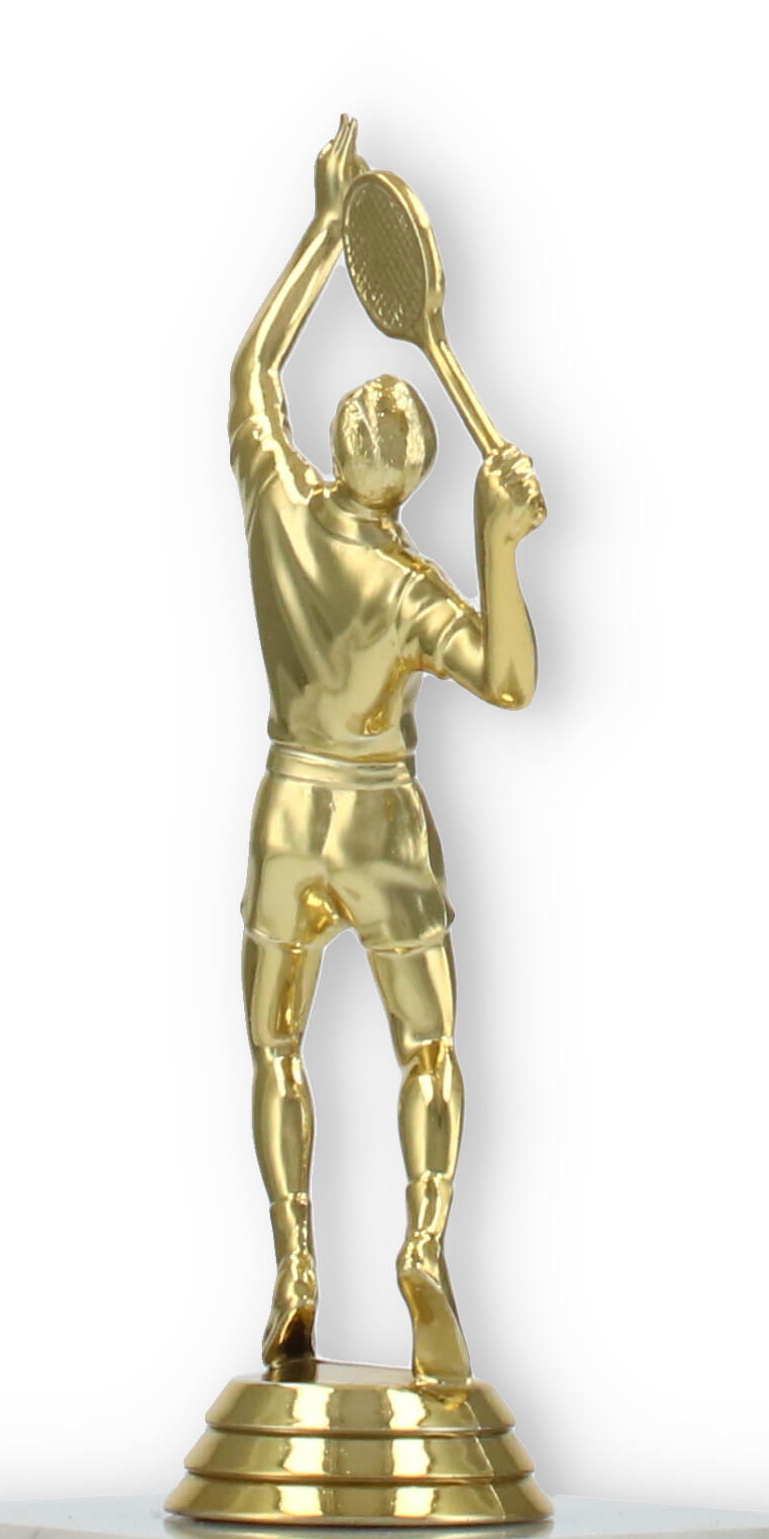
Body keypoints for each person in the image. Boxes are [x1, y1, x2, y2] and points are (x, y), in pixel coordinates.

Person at [230, 117, 545, 1385]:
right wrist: (498, 544)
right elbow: (507, 677)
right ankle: (421, 1243)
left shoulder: (280, 511)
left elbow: (254, 366)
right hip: (380, 822)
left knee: (276, 1047)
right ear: (408, 473)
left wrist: (320, 234)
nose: (374, 394)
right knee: (428, 1048)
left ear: (350, 448)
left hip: (286, 811)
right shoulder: (410, 587)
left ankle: (294, 1261)